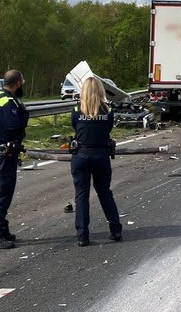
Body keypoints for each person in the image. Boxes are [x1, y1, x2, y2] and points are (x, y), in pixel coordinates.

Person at [70, 76, 123, 247]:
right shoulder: (107, 111)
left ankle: (82, 236)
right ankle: (116, 230)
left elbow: (74, 126)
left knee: (81, 196)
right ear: (100, 90)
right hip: (100, 156)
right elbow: (108, 129)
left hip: (81, 155)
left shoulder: (77, 109)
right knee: (105, 193)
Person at [0, 69, 29, 249]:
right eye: (22, 82)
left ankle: (1, 229)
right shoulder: (8, 101)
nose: (22, 85)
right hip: (3, 152)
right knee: (2, 192)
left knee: (3, 191)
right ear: (17, 83)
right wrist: (24, 113)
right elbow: (13, 125)